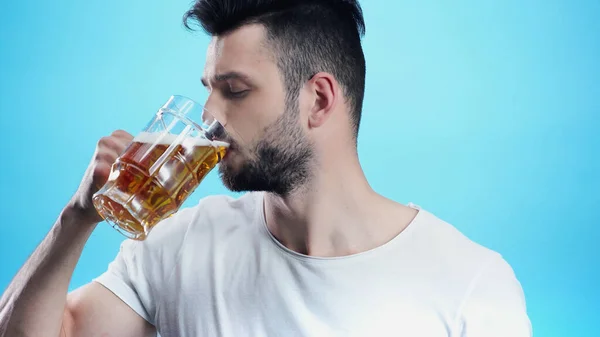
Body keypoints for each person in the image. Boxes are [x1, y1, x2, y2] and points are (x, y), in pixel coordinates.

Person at [0, 0, 533, 336]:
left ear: (319, 100)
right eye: (208, 88)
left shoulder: (470, 284)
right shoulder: (179, 242)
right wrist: (76, 219)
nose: (209, 114)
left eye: (235, 91)